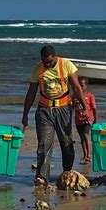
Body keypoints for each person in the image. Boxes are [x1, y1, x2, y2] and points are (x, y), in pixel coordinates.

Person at [22, 45, 88, 186]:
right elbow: (31, 93)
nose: (47, 64)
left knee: (66, 142)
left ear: (55, 57)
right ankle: (42, 177)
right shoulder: (37, 70)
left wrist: (85, 108)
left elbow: (76, 87)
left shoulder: (66, 65)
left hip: (63, 108)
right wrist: (25, 114)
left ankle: (67, 172)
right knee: (44, 144)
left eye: (50, 62)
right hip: (44, 110)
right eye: (44, 62)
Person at [73, 77, 97, 165]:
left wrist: (95, 120)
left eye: (82, 85)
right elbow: (72, 108)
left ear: (86, 86)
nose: (80, 87)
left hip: (87, 120)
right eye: (79, 85)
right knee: (81, 137)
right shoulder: (75, 96)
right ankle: (84, 154)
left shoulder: (90, 96)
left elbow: (94, 109)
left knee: (86, 136)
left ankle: (89, 155)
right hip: (78, 120)